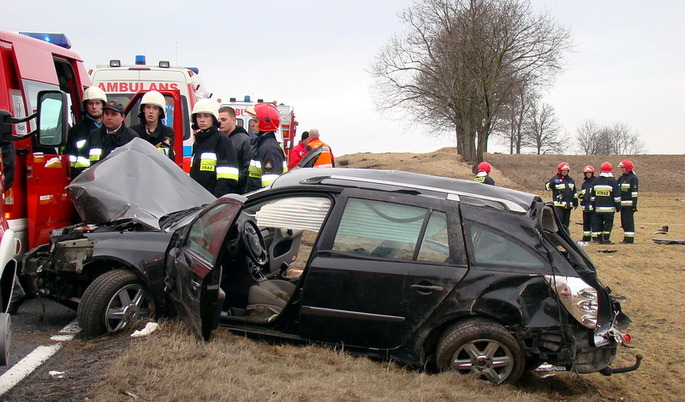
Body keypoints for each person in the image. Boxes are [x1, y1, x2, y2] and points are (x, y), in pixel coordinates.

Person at [189, 99, 240, 196]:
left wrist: (217, 199)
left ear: (214, 118)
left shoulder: (221, 139)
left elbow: (228, 175)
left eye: (206, 116)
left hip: (213, 198)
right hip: (197, 196)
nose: (202, 120)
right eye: (199, 116)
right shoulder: (198, 142)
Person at [80, 100, 138, 168]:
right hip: (96, 178)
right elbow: (82, 161)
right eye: (106, 113)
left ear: (123, 117)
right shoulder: (94, 136)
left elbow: (136, 166)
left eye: (113, 114)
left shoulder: (131, 138)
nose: (109, 118)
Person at [64, 87, 107, 178]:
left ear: (103, 105)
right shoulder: (77, 130)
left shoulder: (110, 127)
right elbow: (70, 157)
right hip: (83, 177)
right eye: (90, 103)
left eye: (97, 103)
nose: (94, 107)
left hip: (106, 177)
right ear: (86, 106)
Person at [246, 103, 287, 192]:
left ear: (265, 123)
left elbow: (270, 185)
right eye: (252, 120)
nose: (252, 124)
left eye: (256, 121)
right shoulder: (264, 144)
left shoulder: (269, 148)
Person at [130, 90, 175, 160]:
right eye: (148, 107)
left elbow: (166, 157)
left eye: (155, 108)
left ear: (160, 112)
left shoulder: (167, 132)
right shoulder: (133, 131)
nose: (151, 111)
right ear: (143, 109)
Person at [218, 106, 252, 194]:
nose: (220, 123)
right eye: (218, 120)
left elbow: (247, 168)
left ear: (233, 120)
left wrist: (232, 183)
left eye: (223, 120)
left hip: (237, 191)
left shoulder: (244, 140)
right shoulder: (218, 139)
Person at [591, 162, 621, 244]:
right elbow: (617, 196)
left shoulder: (596, 180)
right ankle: (606, 239)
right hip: (609, 209)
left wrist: (593, 206)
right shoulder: (613, 181)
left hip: (598, 208)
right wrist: (618, 207)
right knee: (608, 224)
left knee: (598, 224)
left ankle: (600, 239)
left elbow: (592, 196)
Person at [545, 162, 578, 230]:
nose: (565, 172)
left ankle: (565, 236)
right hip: (559, 205)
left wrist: (575, 201)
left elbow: (574, 192)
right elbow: (547, 187)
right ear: (560, 170)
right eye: (563, 170)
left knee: (566, 223)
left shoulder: (570, 180)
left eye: (566, 170)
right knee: (559, 221)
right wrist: (553, 183)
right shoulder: (555, 178)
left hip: (568, 205)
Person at [617, 159, 639, 244]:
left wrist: (634, 205)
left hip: (629, 204)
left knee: (628, 222)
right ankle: (626, 238)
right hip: (622, 204)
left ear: (628, 168)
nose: (622, 169)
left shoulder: (633, 178)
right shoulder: (622, 177)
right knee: (624, 222)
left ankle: (629, 239)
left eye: (623, 167)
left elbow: (634, 193)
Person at [579, 165, 596, 243]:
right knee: (586, 222)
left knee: (594, 222)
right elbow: (583, 194)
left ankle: (595, 238)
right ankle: (586, 237)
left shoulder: (595, 182)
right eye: (587, 173)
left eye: (589, 173)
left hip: (593, 207)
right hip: (585, 207)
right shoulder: (584, 184)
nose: (588, 174)